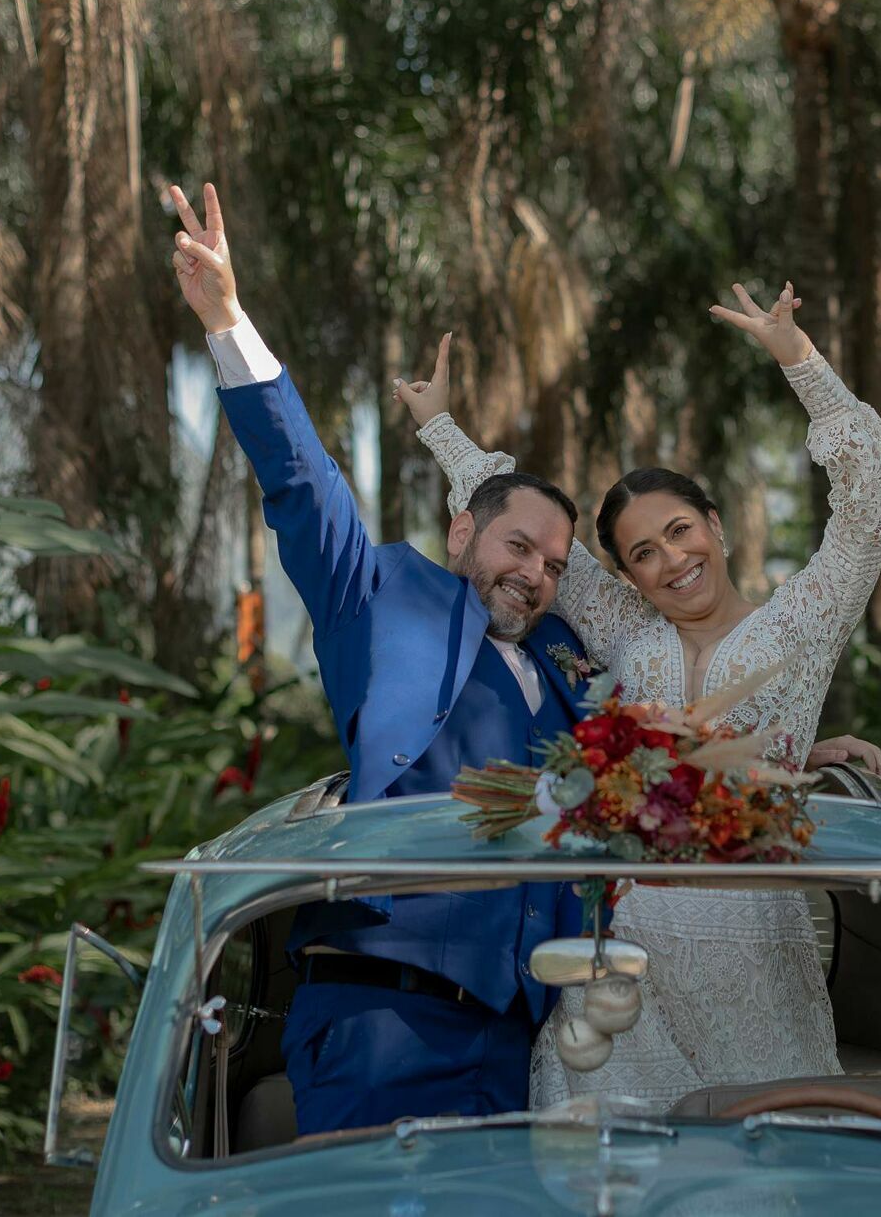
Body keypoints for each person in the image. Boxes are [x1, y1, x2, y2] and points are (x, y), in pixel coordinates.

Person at [399, 279, 881, 1110]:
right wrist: (439, 426)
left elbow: (871, 504)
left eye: (680, 531)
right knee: (611, 1175)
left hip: (755, 957)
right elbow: (512, 511)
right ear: (627, 575)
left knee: (761, 1172)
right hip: (621, 958)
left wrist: (798, 358)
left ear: (717, 524)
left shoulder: (804, 620)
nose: (671, 562)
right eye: (642, 554)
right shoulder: (629, 630)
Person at [167, 182, 598, 1135]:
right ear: (461, 534)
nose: (533, 576)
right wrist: (230, 322)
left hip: (525, 1042)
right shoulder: (383, 599)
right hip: (381, 1016)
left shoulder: (570, 666)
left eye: (556, 565)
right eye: (517, 547)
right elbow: (302, 485)